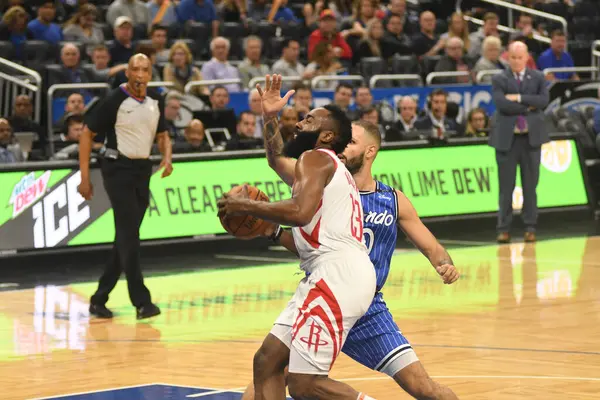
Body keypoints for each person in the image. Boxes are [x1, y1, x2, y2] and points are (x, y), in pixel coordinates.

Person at [239, 121, 461, 399]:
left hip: (368, 309)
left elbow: (432, 247)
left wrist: (444, 265)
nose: (342, 147)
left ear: (370, 151)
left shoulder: (392, 199)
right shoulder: (323, 181)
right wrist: (272, 231)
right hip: (327, 288)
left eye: (351, 142)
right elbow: (278, 163)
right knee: (269, 366)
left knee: (423, 387)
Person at [217, 75, 377, 400]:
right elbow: (276, 158)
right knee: (267, 361)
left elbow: (301, 212)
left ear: (327, 135)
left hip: (338, 276)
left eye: (309, 119)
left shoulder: (316, 158)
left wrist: (246, 205)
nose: (300, 122)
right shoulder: (317, 167)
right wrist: (269, 117)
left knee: (305, 383)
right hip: (325, 273)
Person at [78, 53, 173, 320]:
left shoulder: (156, 101)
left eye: (145, 70)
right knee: (130, 235)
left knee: (126, 237)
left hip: (143, 170)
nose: (140, 75)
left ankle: (99, 299)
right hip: (116, 169)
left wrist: (167, 157)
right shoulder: (114, 100)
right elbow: (86, 134)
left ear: (150, 73)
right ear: (128, 73)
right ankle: (142, 301)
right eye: (135, 70)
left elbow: (163, 134)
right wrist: (84, 178)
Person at [490, 41, 549, 243]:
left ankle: (530, 227)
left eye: (519, 57)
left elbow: (543, 101)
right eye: (512, 57)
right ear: (508, 57)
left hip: (531, 140)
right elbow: (501, 104)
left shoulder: (539, 77)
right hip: (507, 140)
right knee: (506, 187)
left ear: (526, 58)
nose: (516, 61)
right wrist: (528, 106)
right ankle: (503, 228)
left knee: (530, 186)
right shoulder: (499, 78)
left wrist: (518, 97)